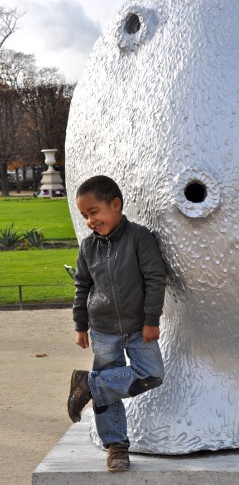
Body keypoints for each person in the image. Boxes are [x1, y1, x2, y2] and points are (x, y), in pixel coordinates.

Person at [67, 175, 166, 473]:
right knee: (109, 388)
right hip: (103, 328)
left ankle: (89, 384)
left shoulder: (140, 237)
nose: (89, 221)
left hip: (139, 327)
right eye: (84, 215)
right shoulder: (88, 247)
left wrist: (151, 321)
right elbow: (83, 286)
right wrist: (80, 324)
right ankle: (116, 446)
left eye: (94, 212)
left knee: (152, 374)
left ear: (116, 205)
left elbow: (155, 278)